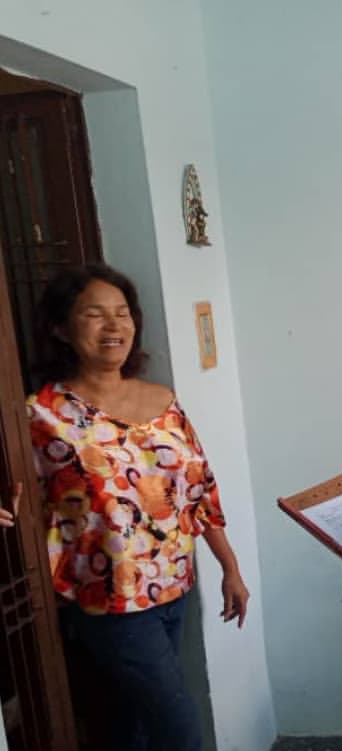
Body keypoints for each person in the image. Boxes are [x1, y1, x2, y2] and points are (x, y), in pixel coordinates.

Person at [26, 264, 250, 751]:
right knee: (177, 725)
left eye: (123, 313)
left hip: (175, 585)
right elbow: (20, 490)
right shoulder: (41, 414)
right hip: (111, 600)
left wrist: (229, 567)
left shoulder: (163, 400)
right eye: (94, 314)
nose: (114, 325)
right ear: (61, 328)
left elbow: (199, 490)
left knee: (132, 725)